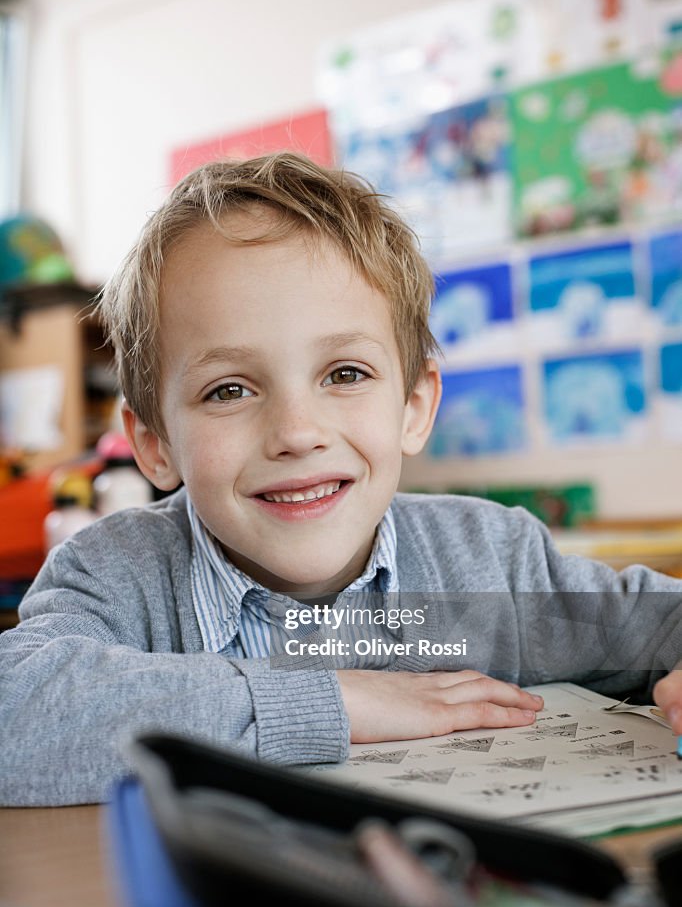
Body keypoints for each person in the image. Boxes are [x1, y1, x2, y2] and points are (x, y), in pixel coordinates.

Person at [1, 152, 681, 807]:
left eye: (345, 374)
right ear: (154, 443)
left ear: (413, 409)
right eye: (229, 389)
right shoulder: (116, 573)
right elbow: (14, 714)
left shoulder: (492, 562)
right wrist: (334, 699)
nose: (298, 432)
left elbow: (664, 625)